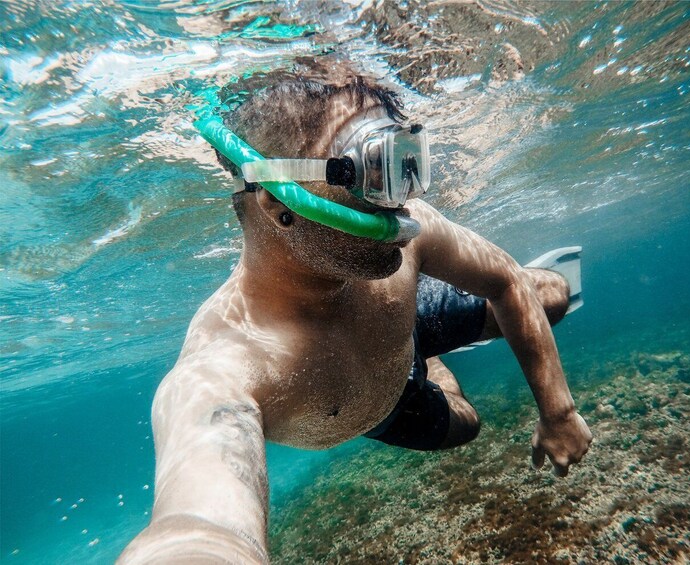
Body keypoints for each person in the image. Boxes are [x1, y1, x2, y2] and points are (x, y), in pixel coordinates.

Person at [119, 59, 592, 564]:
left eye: (407, 161)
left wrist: (558, 411)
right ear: (277, 204)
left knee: (553, 295)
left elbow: (504, 278)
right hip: (382, 404)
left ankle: (422, 339)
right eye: (373, 167)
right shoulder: (227, 363)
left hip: (400, 313)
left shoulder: (413, 235)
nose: (402, 204)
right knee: (465, 425)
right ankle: (429, 362)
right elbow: (200, 527)